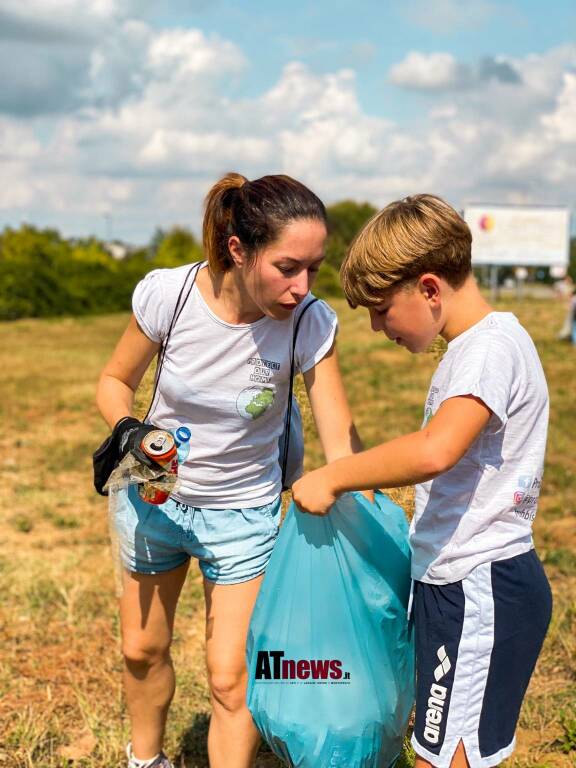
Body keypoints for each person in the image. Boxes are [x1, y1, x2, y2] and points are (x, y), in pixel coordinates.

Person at [96, 173, 365, 768]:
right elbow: (115, 382)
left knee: (229, 677)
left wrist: (362, 508)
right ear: (239, 250)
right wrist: (130, 432)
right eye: (288, 267)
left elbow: (338, 435)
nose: (301, 287)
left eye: (314, 269)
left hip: (244, 514)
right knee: (141, 649)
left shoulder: (308, 322)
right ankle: (147, 760)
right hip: (154, 499)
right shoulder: (171, 295)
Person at [292, 194, 552, 768]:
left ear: (430, 289)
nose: (378, 326)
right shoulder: (479, 348)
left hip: (477, 588)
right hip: (455, 585)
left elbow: (436, 450)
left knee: (448, 757)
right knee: (440, 748)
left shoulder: (487, 350)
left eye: (382, 309)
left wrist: (336, 477)